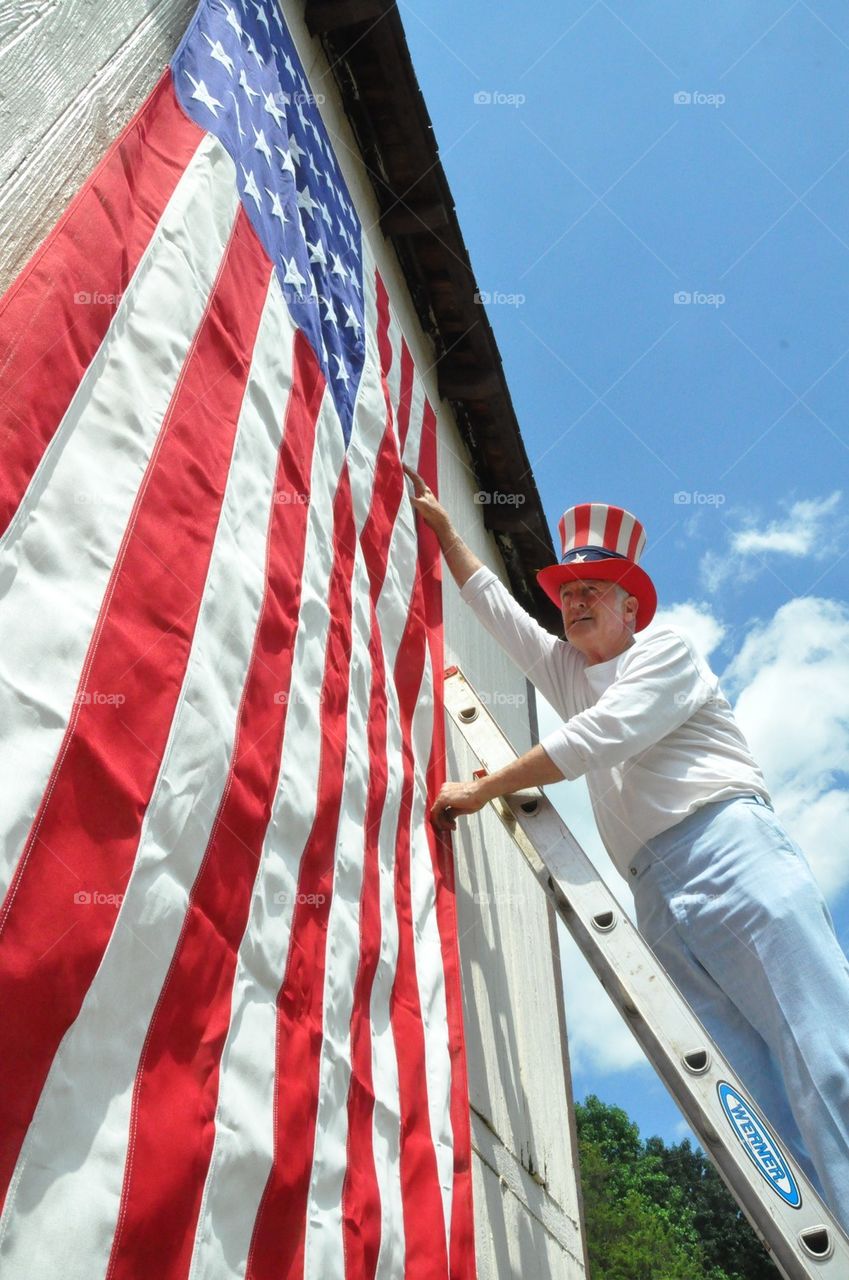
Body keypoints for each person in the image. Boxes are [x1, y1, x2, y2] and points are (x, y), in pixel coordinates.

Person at [404, 464, 849, 1232]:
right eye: (567, 593)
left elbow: (599, 736)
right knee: (752, 1100)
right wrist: (445, 535)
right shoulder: (570, 672)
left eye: (592, 591)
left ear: (629, 604)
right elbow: (502, 616)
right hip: (655, 891)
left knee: (823, 1056)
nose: (572, 603)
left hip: (729, 851)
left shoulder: (663, 651)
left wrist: (484, 786)